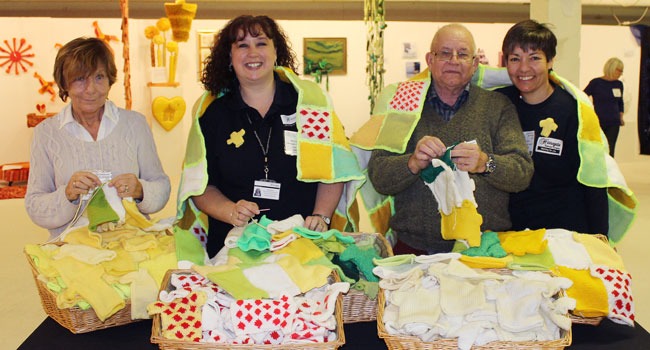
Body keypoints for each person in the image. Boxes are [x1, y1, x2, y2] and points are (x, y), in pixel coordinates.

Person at [174, 15, 363, 260]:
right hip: (233, 250)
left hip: (302, 247)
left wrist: (321, 216)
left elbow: (334, 169)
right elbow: (199, 185)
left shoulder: (310, 105)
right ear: (229, 58)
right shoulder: (212, 115)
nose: (253, 52)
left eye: (261, 43)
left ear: (276, 53)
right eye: (242, 45)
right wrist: (230, 211)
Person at [360, 23, 533, 255]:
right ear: (430, 60)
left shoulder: (498, 106)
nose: (453, 60)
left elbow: (522, 172)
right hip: (414, 250)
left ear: (474, 64)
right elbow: (379, 176)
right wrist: (412, 163)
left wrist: (485, 163)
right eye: (444, 53)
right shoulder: (403, 106)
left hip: (484, 250)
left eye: (462, 54)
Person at [496, 20, 636, 240]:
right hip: (512, 231)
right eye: (515, 59)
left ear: (550, 60)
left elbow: (593, 179)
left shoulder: (575, 111)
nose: (523, 68)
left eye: (534, 58)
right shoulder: (500, 104)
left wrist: (600, 236)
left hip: (564, 232)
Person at [25, 37, 171, 238]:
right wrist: (68, 195)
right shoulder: (46, 133)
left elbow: (161, 186)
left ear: (110, 80)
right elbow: (34, 205)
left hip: (133, 244)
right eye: (79, 79)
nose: (91, 89)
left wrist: (140, 190)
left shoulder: (135, 124)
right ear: (64, 84)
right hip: (72, 252)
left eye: (99, 77)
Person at [584, 57, 625, 157]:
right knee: (597, 149)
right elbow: (583, 96)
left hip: (614, 122)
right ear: (611, 68)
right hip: (598, 121)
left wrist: (621, 117)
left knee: (610, 150)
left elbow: (620, 103)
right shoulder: (596, 83)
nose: (620, 73)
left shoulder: (619, 84)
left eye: (621, 71)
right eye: (618, 70)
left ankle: (609, 172)